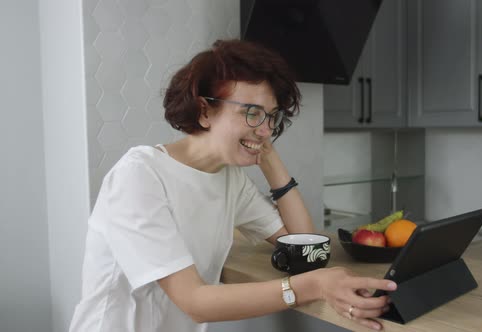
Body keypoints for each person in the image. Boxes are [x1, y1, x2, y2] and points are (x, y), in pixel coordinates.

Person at [69, 39, 396, 332]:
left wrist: (269, 160)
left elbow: (303, 247)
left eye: (271, 117)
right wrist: (311, 286)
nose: (266, 129)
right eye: (253, 113)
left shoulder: (229, 180)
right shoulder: (140, 175)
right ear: (204, 111)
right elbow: (194, 301)